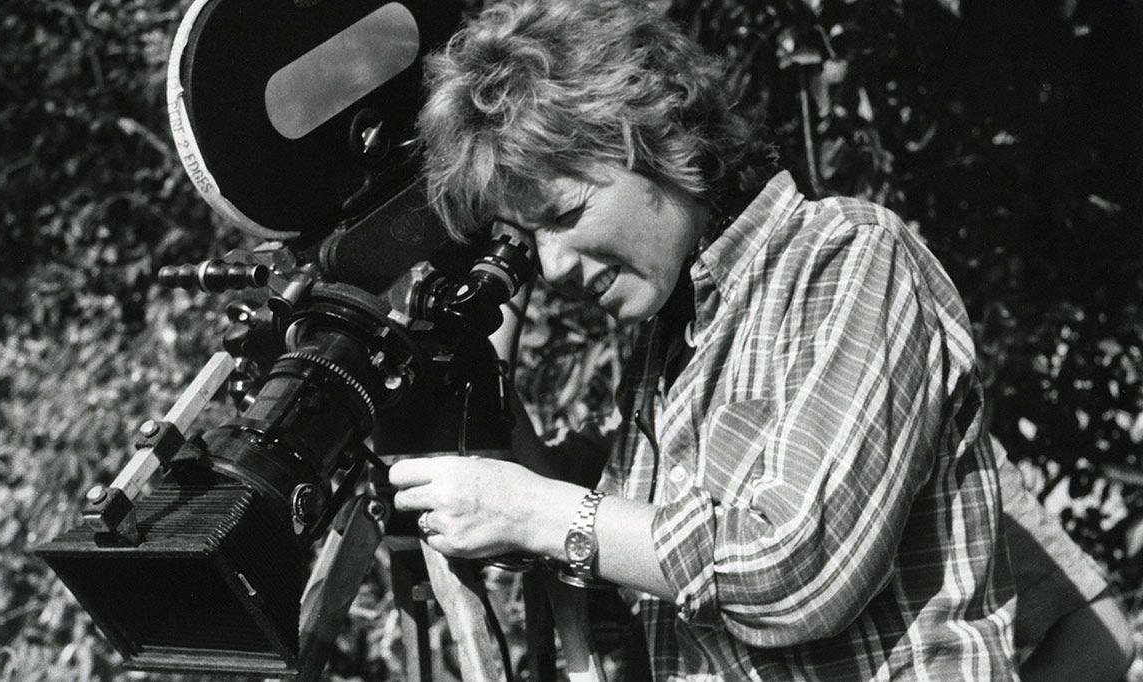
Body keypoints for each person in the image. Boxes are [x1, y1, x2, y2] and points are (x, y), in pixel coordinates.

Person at [387, 0, 1134, 678]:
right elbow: (565, 504)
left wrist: (537, 513)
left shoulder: (847, 260)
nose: (552, 269)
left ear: (655, 134)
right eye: (527, 241)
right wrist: (475, 346)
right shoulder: (668, 354)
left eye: (562, 214)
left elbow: (801, 573)